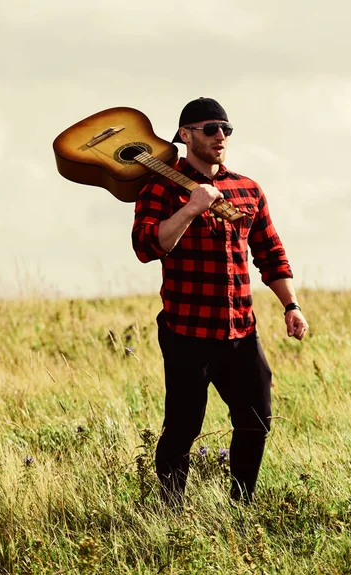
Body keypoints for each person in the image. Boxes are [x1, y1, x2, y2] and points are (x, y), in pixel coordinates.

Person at [132, 97, 308, 505]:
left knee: (257, 419)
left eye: (226, 130)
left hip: (240, 330)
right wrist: (192, 207)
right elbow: (146, 246)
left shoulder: (247, 189)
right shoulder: (158, 187)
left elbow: (270, 253)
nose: (220, 136)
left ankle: (240, 505)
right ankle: (170, 511)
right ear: (185, 135)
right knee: (182, 427)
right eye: (210, 128)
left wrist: (291, 306)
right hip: (186, 331)